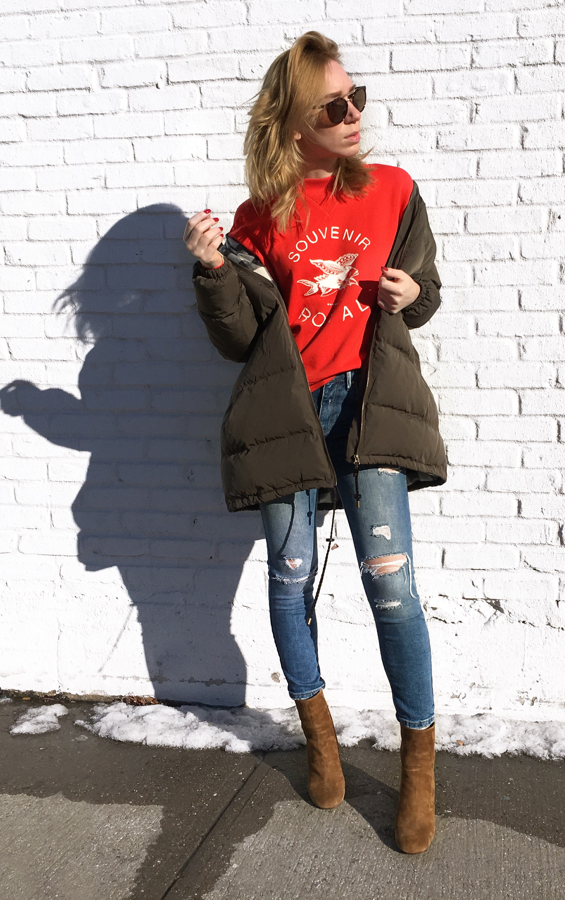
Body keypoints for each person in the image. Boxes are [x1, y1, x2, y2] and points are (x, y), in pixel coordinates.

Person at [183, 31, 447, 854]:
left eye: (356, 97)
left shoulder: (395, 190)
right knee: (290, 579)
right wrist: (213, 272)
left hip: (369, 406)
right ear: (294, 123)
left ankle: (418, 769)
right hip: (290, 409)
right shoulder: (262, 217)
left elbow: (426, 294)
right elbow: (240, 338)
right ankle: (321, 743)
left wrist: (412, 292)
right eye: (333, 106)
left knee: (392, 587)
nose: (353, 114)